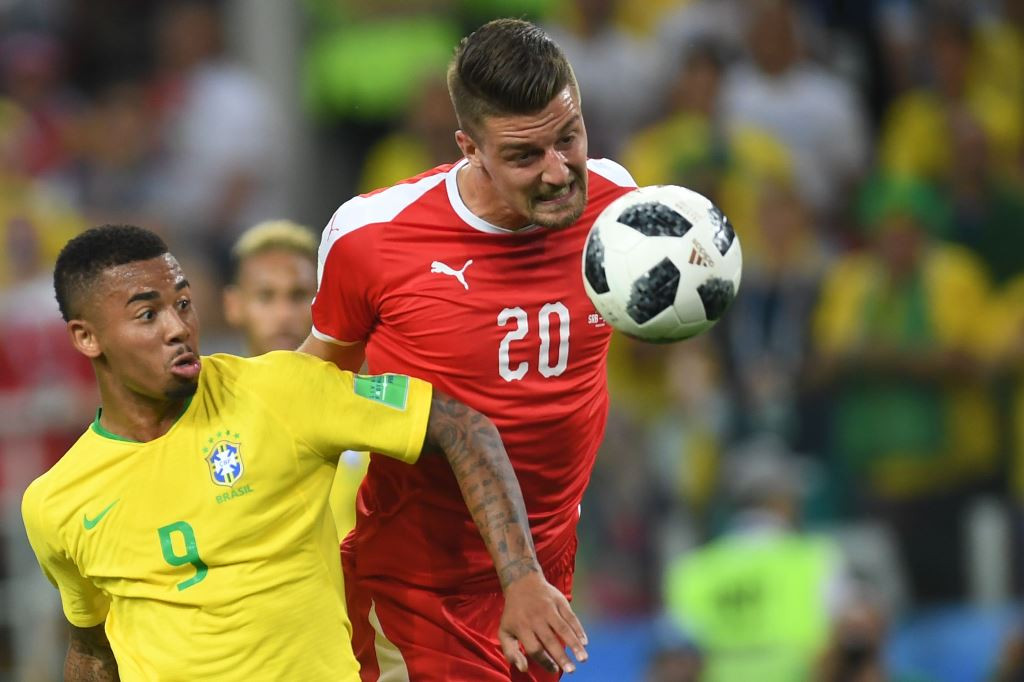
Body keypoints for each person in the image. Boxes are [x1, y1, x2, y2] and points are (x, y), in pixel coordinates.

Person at [22, 224, 586, 681]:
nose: (178, 328)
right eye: (148, 314)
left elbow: (463, 426)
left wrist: (521, 578)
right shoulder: (57, 503)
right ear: (87, 338)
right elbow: (92, 650)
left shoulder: (280, 389)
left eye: (184, 303)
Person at [299, 18, 642, 681]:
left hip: (547, 573)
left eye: (568, 138)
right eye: (524, 156)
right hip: (418, 589)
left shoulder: (619, 209)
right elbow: (310, 389)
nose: (557, 172)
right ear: (469, 147)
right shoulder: (373, 236)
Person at [223, 219, 368, 538]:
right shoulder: (211, 413)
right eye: (266, 296)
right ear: (234, 306)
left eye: (299, 295)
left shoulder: (367, 406)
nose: (284, 314)